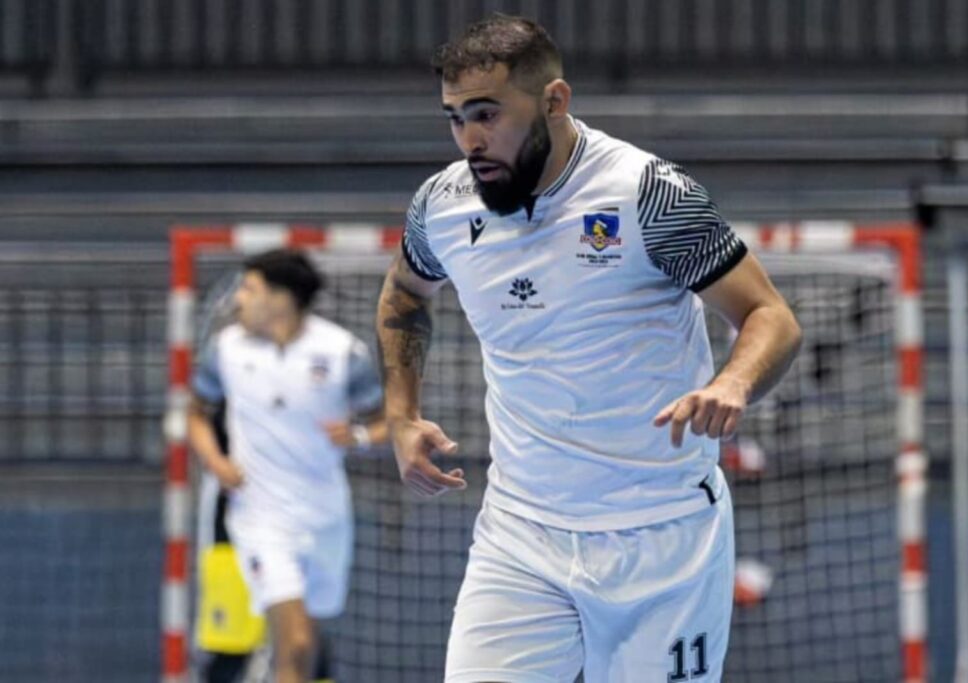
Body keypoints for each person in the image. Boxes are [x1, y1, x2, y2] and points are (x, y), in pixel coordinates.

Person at [375, 14, 803, 683]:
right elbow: (403, 295)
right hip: (521, 533)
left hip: (662, 536)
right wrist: (401, 415)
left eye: (487, 114)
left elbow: (770, 315)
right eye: (455, 117)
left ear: (555, 101)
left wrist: (733, 384)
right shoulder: (444, 206)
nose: (470, 139)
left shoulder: (647, 194)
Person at [189, 248, 388, 683]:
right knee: (293, 642)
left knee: (307, 649)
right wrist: (215, 461)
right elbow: (197, 414)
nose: (239, 299)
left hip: (325, 517)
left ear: (280, 298)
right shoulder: (225, 349)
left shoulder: (340, 353)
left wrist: (355, 436)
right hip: (260, 518)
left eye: (249, 289)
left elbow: (385, 424)